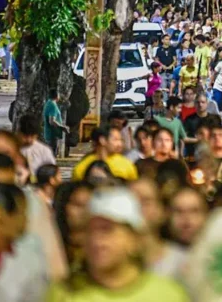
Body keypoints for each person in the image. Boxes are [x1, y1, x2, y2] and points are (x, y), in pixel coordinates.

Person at [46, 187, 188, 302]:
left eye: (107, 229)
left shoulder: (167, 296)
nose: (97, 239)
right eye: (89, 230)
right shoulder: (63, 293)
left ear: (133, 238)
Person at [72, 128, 138, 182]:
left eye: (121, 140)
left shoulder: (125, 163)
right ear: (102, 140)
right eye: (116, 140)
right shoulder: (83, 166)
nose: (120, 144)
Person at [43, 89, 68, 158]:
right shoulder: (52, 105)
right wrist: (62, 127)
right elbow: (52, 121)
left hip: (50, 134)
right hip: (52, 134)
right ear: (57, 96)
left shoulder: (49, 103)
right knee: (52, 155)